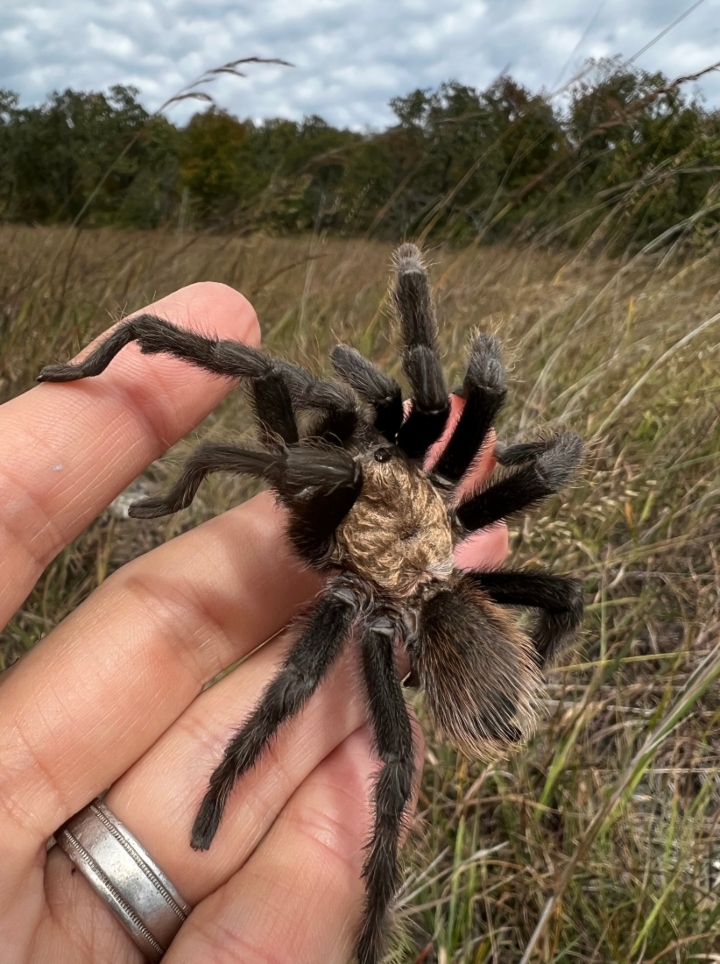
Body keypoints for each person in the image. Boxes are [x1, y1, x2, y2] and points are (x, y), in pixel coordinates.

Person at [0, 282, 508, 962]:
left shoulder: (326, 490)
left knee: (381, 762)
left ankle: (361, 937)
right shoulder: (422, 475)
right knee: (316, 388)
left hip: (411, 608)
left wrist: (209, 468)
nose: (368, 448)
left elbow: (290, 460)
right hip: (436, 592)